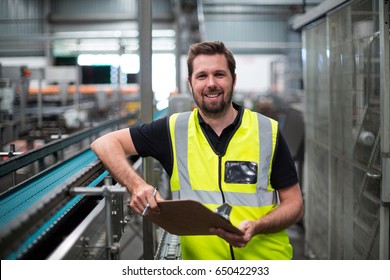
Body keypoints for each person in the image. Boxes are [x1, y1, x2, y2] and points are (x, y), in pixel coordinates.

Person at [90, 41, 304, 260]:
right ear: (190, 84)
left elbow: (294, 204)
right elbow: (104, 143)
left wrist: (258, 226)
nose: (211, 83)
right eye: (202, 76)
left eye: (219, 74)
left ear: (234, 80)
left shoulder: (267, 131)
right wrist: (137, 185)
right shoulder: (173, 130)